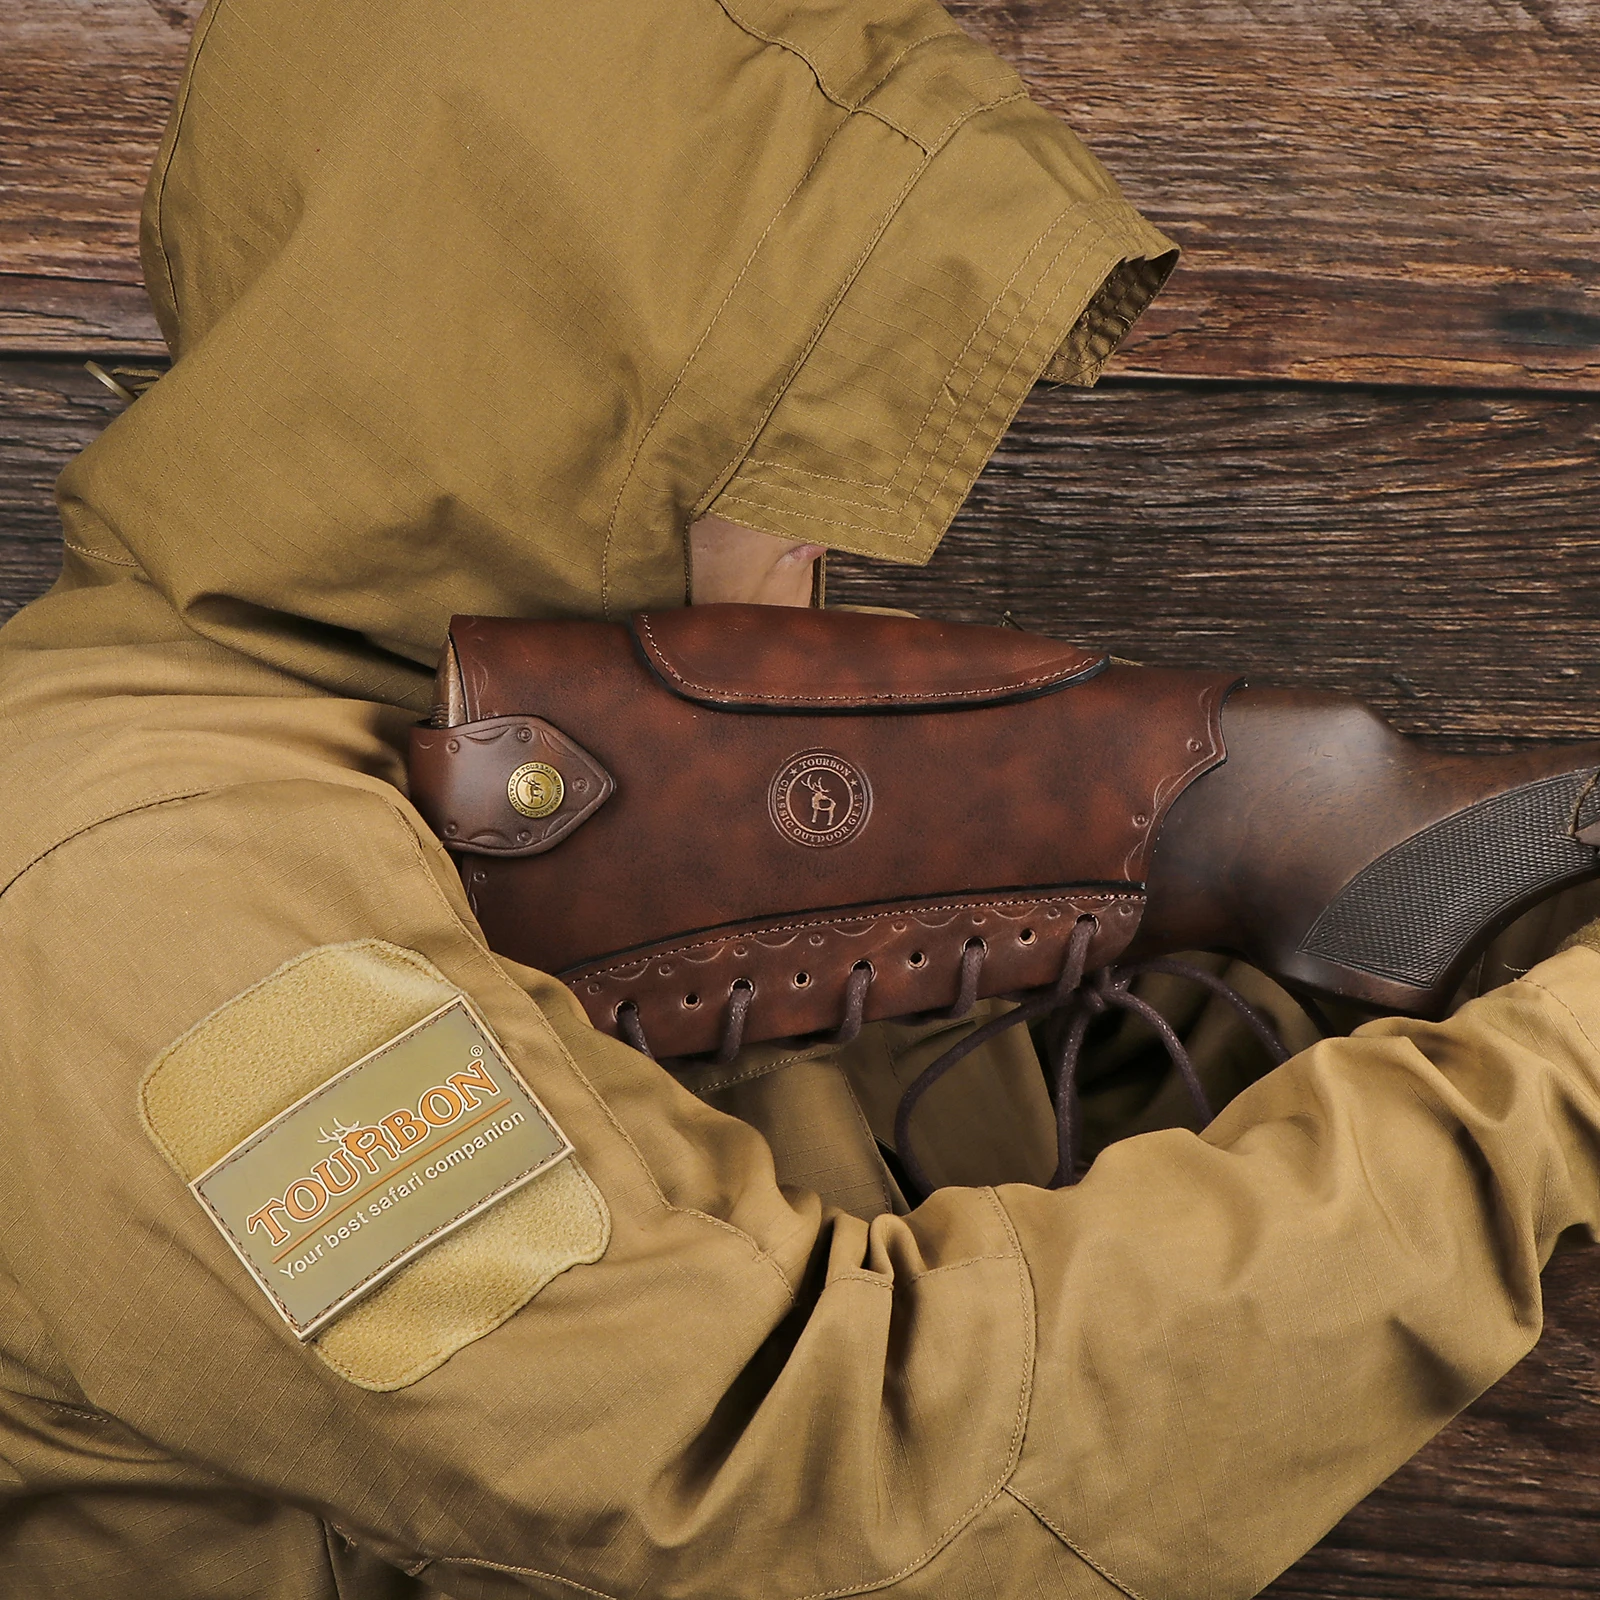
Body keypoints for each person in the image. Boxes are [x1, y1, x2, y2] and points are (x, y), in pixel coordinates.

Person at [3, 1, 1600, 1594]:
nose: (824, 546)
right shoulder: (138, 893)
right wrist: (1545, 1091)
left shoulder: (557, 769)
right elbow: (840, 1482)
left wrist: (1478, 907)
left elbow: (996, 1145)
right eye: (774, 438)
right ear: (558, 389)